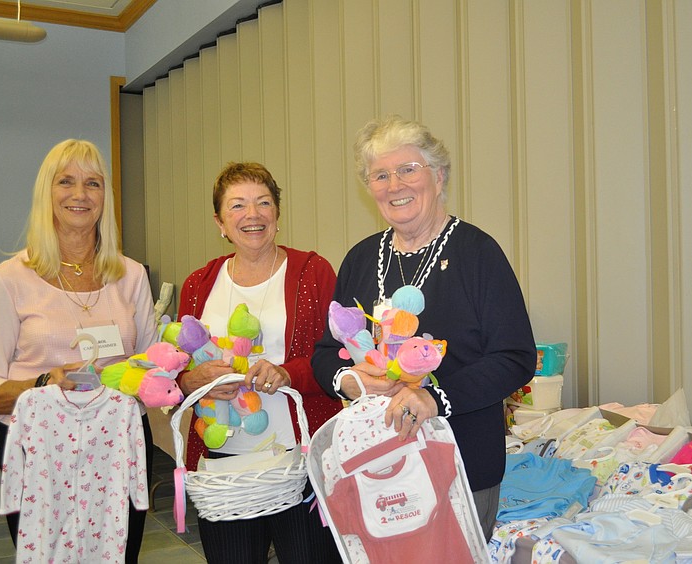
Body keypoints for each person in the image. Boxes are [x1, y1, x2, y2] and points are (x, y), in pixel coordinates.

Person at [311, 115, 537, 539]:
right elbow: (326, 352)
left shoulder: (477, 252)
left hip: (462, 461)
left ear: (439, 176)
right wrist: (348, 380)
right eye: (380, 175)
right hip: (376, 464)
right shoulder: (360, 259)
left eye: (407, 169)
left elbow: (516, 357)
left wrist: (434, 398)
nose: (394, 185)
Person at [0, 139, 157, 562]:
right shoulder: (9, 279)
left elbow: (154, 368)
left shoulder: (132, 275)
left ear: (105, 197)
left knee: (120, 555)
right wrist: (46, 383)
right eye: (66, 182)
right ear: (48, 193)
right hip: (37, 444)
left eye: (93, 183)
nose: (80, 194)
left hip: (119, 441)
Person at [176, 161, 342, 563]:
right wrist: (194, 379)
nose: (252, 215)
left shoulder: (312, 271)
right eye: (237, 206)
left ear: (277, 214)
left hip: (301, 463)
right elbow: (176, 370)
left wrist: (287, 372)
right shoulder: (199, 284)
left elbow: (337, 357)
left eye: (263, 202)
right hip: (223, 467)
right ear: (219, 221)